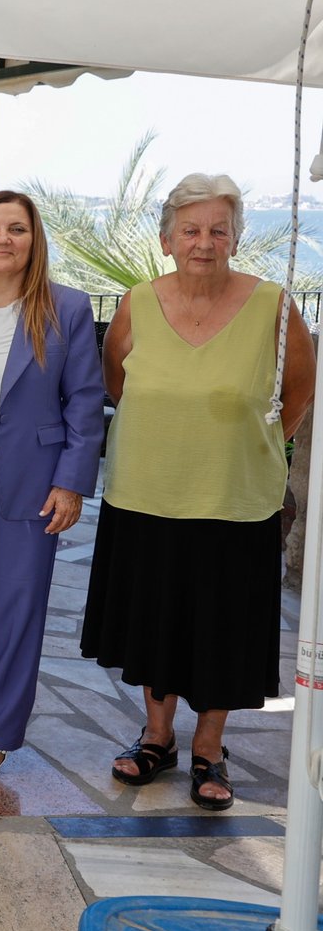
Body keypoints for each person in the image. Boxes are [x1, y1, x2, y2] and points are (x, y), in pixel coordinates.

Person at [82, 173, 314, 810]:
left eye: (218, 230)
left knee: (222, 626)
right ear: (167, 240)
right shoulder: (136, 302)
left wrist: (241, 448)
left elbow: (296, 394)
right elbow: (118, 383)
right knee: (155, 621)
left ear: (236, 238)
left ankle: (210, 748)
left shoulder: (275, 307)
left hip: (235, 499)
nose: (204, 243)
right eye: (190, 230)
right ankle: (156, 737)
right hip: (145, 493)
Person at [0, 191, 105, 783]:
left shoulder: (67, 307)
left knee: (14, 606)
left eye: (16, 228)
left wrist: (71, 482)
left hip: (30, 473)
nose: (2, 239)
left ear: (34, 240)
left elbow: (85, 401)